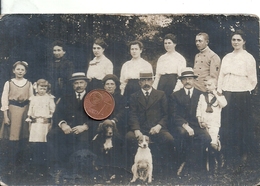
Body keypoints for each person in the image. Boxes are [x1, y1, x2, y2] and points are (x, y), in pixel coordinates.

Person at [217, 30, 257, 166]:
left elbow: (253, 79)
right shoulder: (227, 57)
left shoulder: (248, 58)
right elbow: (221, 74)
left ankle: (243, 152)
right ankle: (227, 152)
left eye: (238, 40)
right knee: (228, 122)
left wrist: (246, 90)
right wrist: (220, 89)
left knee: (242, 123)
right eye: (233, 39)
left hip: (242, 93)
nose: (235, 42)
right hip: (228, 91)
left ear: (244, 41)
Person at [125, 71, 175, 176]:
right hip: (141, 128)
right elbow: (132, 115)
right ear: (139, 82)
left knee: (168, 138)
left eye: (148, 80)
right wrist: (136, 129)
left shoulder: (161, 94)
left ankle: (164, 169)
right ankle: (133, 170)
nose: (146, 83)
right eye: (143, 80)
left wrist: (159, 126)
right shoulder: (134, 96)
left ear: (152, 81)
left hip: (157, 128)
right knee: (129, 137)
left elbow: (167, 114)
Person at [47, 72, 93, 182]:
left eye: (81, 82)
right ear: (73, 85)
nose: (79, 85)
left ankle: (76, 171)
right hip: (68, 128)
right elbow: (57, 114)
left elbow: (98, 116)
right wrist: (63, 124)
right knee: (52, 135)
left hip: (85, 129)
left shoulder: (92, 97)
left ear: (86, 84)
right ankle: (58, 167)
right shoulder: (66, 97)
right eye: (76, 83)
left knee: (82, 142)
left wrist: (85, 126)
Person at [169, 67, 211, 175]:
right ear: (181, 81)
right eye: (185, 79)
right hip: (182, 125)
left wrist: (203, 121)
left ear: (194, 80)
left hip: (197, 124)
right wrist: (185, 125)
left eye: (190, 79)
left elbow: (204, 111)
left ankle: (195, 163)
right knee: (183, 134)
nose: (187, 81)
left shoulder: (201, 94)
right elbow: (174, 114)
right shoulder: (175, 95)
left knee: (206, 137)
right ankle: (182, 162)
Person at [0, 61, 33, 173]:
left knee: (24, 137)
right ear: (14, 70)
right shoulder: (8, 83)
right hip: (13, 111)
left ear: (25, 72)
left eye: (22, 70)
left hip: (25, 111)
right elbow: (4, 99)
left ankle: (22, 164)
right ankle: (11, 164)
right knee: (12, 138)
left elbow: (32, 99)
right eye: (18, 69)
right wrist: (5, 116)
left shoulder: (28, 83)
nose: (20, 71)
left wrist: (30, 115)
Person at [25, 79, 56, 175]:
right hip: (35, 124)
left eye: (44, 88)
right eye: (40, 88)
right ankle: (34, 165)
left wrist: (50, 120)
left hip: (45, 124)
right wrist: (30, 119)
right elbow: (30, 110)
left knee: (45, 143)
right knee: (35, 144)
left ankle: (44, 166)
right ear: (36, 88)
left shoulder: (49, 98)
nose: (42, 90)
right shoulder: (33, 98)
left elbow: (52, 110)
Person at [196, 76, 227, 170]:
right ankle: (208, 165)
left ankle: (219, 156)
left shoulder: (220, 97)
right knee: (206, 142)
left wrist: (216, 93)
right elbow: (199, 110)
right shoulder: (202, 96)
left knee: (213, 144)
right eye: (205, 85)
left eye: (209, 85)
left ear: (215, 85)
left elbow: (224, 104)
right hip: (204, 123)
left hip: (214, 124)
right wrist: (200, 121)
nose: (207, 87)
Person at [120, 40, 153, 105]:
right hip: (128, 90)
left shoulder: (146, 64)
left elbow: (150, 81)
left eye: (136, 49)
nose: (134, 51)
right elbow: (122, 82)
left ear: (140, 50)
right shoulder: (126, 65)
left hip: (141, 89)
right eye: (132, 49)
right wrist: (122, 93)